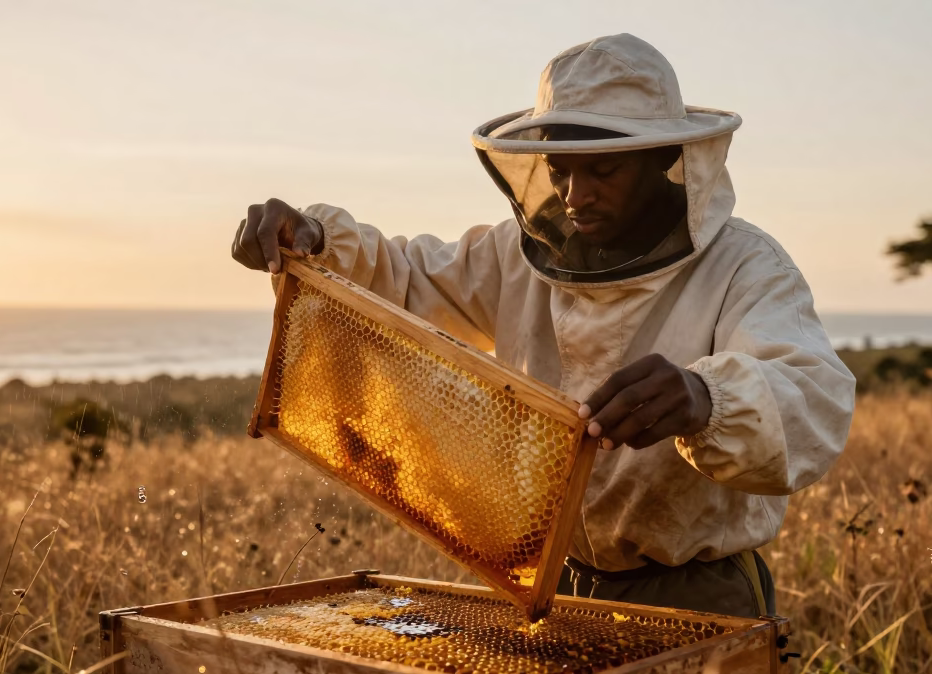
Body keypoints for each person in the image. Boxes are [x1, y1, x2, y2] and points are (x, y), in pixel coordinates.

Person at [232, 33, 855, 617]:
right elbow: (405, 281)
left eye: (602, 171)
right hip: (550, 582)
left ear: (662, 156)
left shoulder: (746, 265)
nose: (575, 194)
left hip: (696, 589)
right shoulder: (514, 254)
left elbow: (813, 398)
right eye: (559, 169)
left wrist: (706, 398)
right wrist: (315, 240)